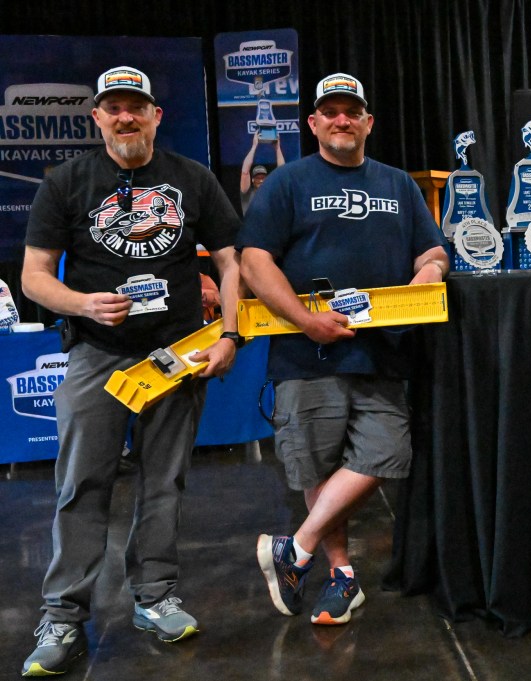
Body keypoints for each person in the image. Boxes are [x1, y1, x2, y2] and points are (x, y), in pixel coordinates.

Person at [18, 66, 243, 676]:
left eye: (136, 107)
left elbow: (231, 261)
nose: (125, 117)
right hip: (97, 353)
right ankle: (62, 615)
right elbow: (34, 275)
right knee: (81, 484)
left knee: (163, 481)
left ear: (155, 116)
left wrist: (230, 333)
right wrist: (82, 303)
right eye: (113, 107)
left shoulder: (192, 178)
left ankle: (155, 595)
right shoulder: (67, 181)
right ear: (97, 117)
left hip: (175, 355)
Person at [237, 72, 448, 626]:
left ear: (368, 122)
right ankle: (342, 577)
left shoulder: (398, 184)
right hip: (306, 354)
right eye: (330, 111)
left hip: (384, 352)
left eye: (352, 111)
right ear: (313, 123)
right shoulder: (287, 182)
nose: (341, 120)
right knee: (318, 466)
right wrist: (306, 321)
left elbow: (433, 251)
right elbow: (254, 261)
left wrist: (429, 270)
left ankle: (296, 548)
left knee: (386, 453)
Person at [239, 131, 285, 215]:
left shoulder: (270, 193)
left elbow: (282, 172)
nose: (260, 180)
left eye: (263, 177)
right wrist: (254, 146)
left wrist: (278, 148)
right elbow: (245, 172)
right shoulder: (247, 193)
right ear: (252, 180)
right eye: (258, 178)